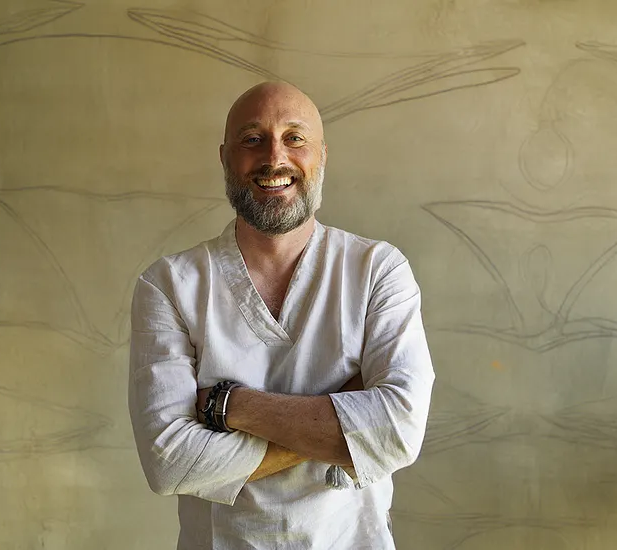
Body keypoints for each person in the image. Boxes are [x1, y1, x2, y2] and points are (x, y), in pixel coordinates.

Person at [127, 80, 436, 549]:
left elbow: (398, 432)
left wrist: (230, 406)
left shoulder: (377, 270)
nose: (274, 158)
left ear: (322, 156)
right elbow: (171, 464)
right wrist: (347, 416)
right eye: (252, 139)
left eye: (295, 138)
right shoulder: (170, 284)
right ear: (225, 158)